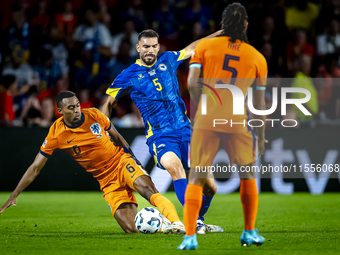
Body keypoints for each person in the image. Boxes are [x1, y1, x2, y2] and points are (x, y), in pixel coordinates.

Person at [0, 91, 185, 234]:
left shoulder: (94, 115)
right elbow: (35, 167)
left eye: (77, 105)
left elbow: (118, 138)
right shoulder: (56, 133)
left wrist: (135, 160)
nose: (77, 109)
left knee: (147, 190)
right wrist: (14, 194)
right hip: (106, 180)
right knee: (132, 229)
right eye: (71, 108)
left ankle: (177, 222)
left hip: (120, 161)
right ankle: (163, 225)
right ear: (60, 111)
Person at [102, 29, 223, 233]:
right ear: (138, 48)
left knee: (210, 186)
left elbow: (194, 47)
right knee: (175, 167)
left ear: (158, 47)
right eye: (146, 46)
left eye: (153, 46)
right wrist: (103, 127)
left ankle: (199, 220)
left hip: (186, 130)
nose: (150, 50)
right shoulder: (128, 75)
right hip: (160, 135)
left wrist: (220, 33)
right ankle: (193, 221)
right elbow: (109, 103)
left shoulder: (168, 59)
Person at [178, 3, 268, 250]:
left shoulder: (205, 46)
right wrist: (260, 135)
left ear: (222, 25)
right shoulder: (257, 58)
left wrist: (204, 106)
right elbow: (259, 105)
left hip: (207, 119)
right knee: (248, 175)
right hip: (238, 122)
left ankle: (189, 237)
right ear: (246, 25)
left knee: (196, 175)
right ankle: (249, 232)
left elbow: (192, 82)